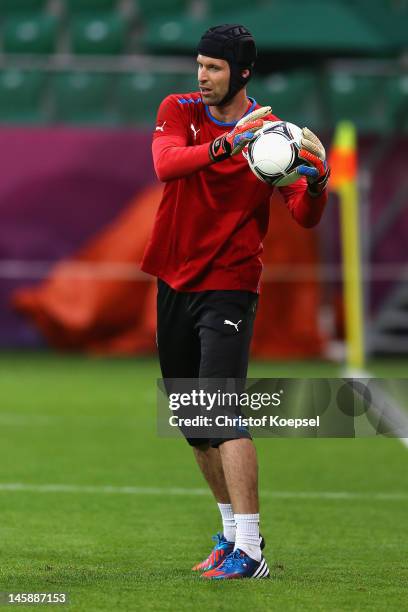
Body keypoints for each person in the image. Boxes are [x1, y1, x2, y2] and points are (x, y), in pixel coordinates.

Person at [141, 23, 329, 580]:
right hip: (173, 278)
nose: (201, 75)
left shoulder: (275, 138)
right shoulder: (179, 109)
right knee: (194, 422)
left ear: (242, 73)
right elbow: (166, 163)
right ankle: (229, 536)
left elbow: (303, 214)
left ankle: (251, 550)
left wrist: (317, 184)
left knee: (222, 410)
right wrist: (228, 143)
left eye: (214, 67)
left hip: (230, 281)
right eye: (200, 64)